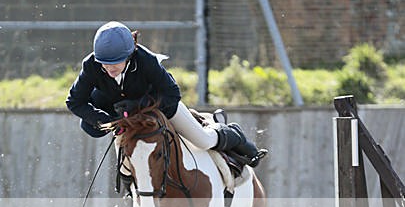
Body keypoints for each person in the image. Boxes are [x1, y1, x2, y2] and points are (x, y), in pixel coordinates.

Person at [66, 21, 266, 166]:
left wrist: (139, 107)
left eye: (115, 62)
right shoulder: (91, 65)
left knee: (203, 141)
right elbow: (74, 102)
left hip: (157, 104)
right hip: (118, 112)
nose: (109, 69)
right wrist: (109, 120)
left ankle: (233, 134)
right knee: (127, 162)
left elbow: (172, 95)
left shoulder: (146, 61)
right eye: (104, 63)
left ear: (130, 54)